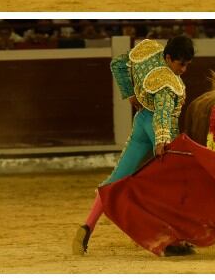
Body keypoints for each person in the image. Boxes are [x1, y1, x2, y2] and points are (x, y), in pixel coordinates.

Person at [73, 36, 195, 256]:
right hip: (158, 128)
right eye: (181, 64)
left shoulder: (148, 52)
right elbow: (163, 113)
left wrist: (129, 93)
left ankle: (87, 226)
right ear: (168, 57)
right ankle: (174, 239)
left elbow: (118, 64)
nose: (184, 69)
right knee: (178, 183)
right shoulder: (168, 82)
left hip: (140, 123)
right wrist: (161, 140)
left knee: (116, 180)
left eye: (187, 64)